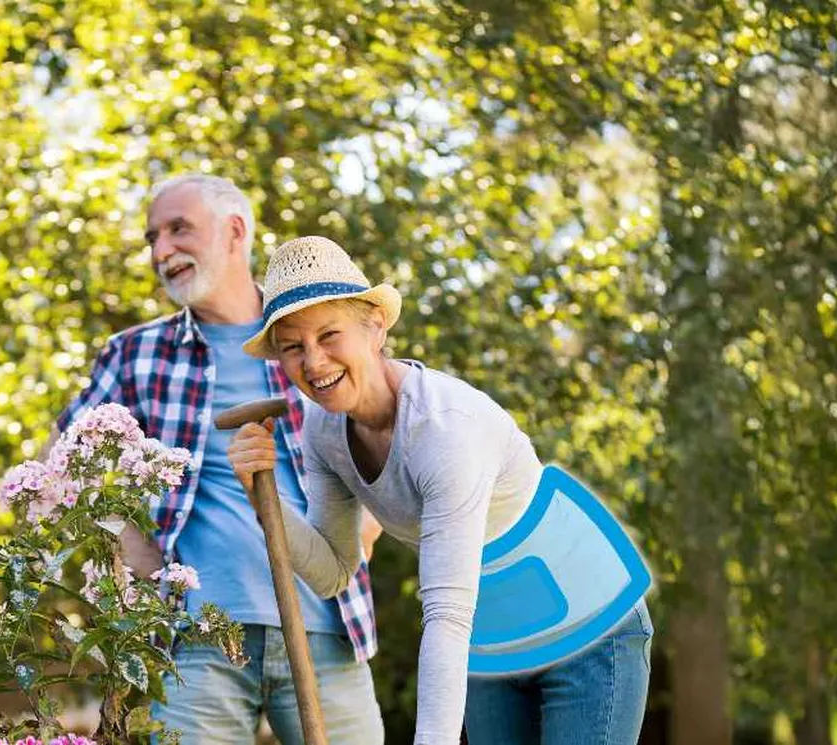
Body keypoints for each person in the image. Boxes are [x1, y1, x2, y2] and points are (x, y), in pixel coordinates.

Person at [227, 235, 654, 745]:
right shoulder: (322, 431)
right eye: (293, 347)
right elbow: (333, 572)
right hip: (494, 635)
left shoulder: (443, 429)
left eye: (329, 335)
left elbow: (447, 612)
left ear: (375, 328)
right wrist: (260, 495)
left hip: (586, 626)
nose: (314, 362)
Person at [56, 177, 385, 744]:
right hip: (197, 641)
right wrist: (126, 542)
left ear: (235, 231)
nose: (161, 251)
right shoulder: (135, 355)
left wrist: (368, 524)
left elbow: (377, 439)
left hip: (327, 630)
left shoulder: (312, 338)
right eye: (153, 237)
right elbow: (59, 466)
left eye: (179, 229)